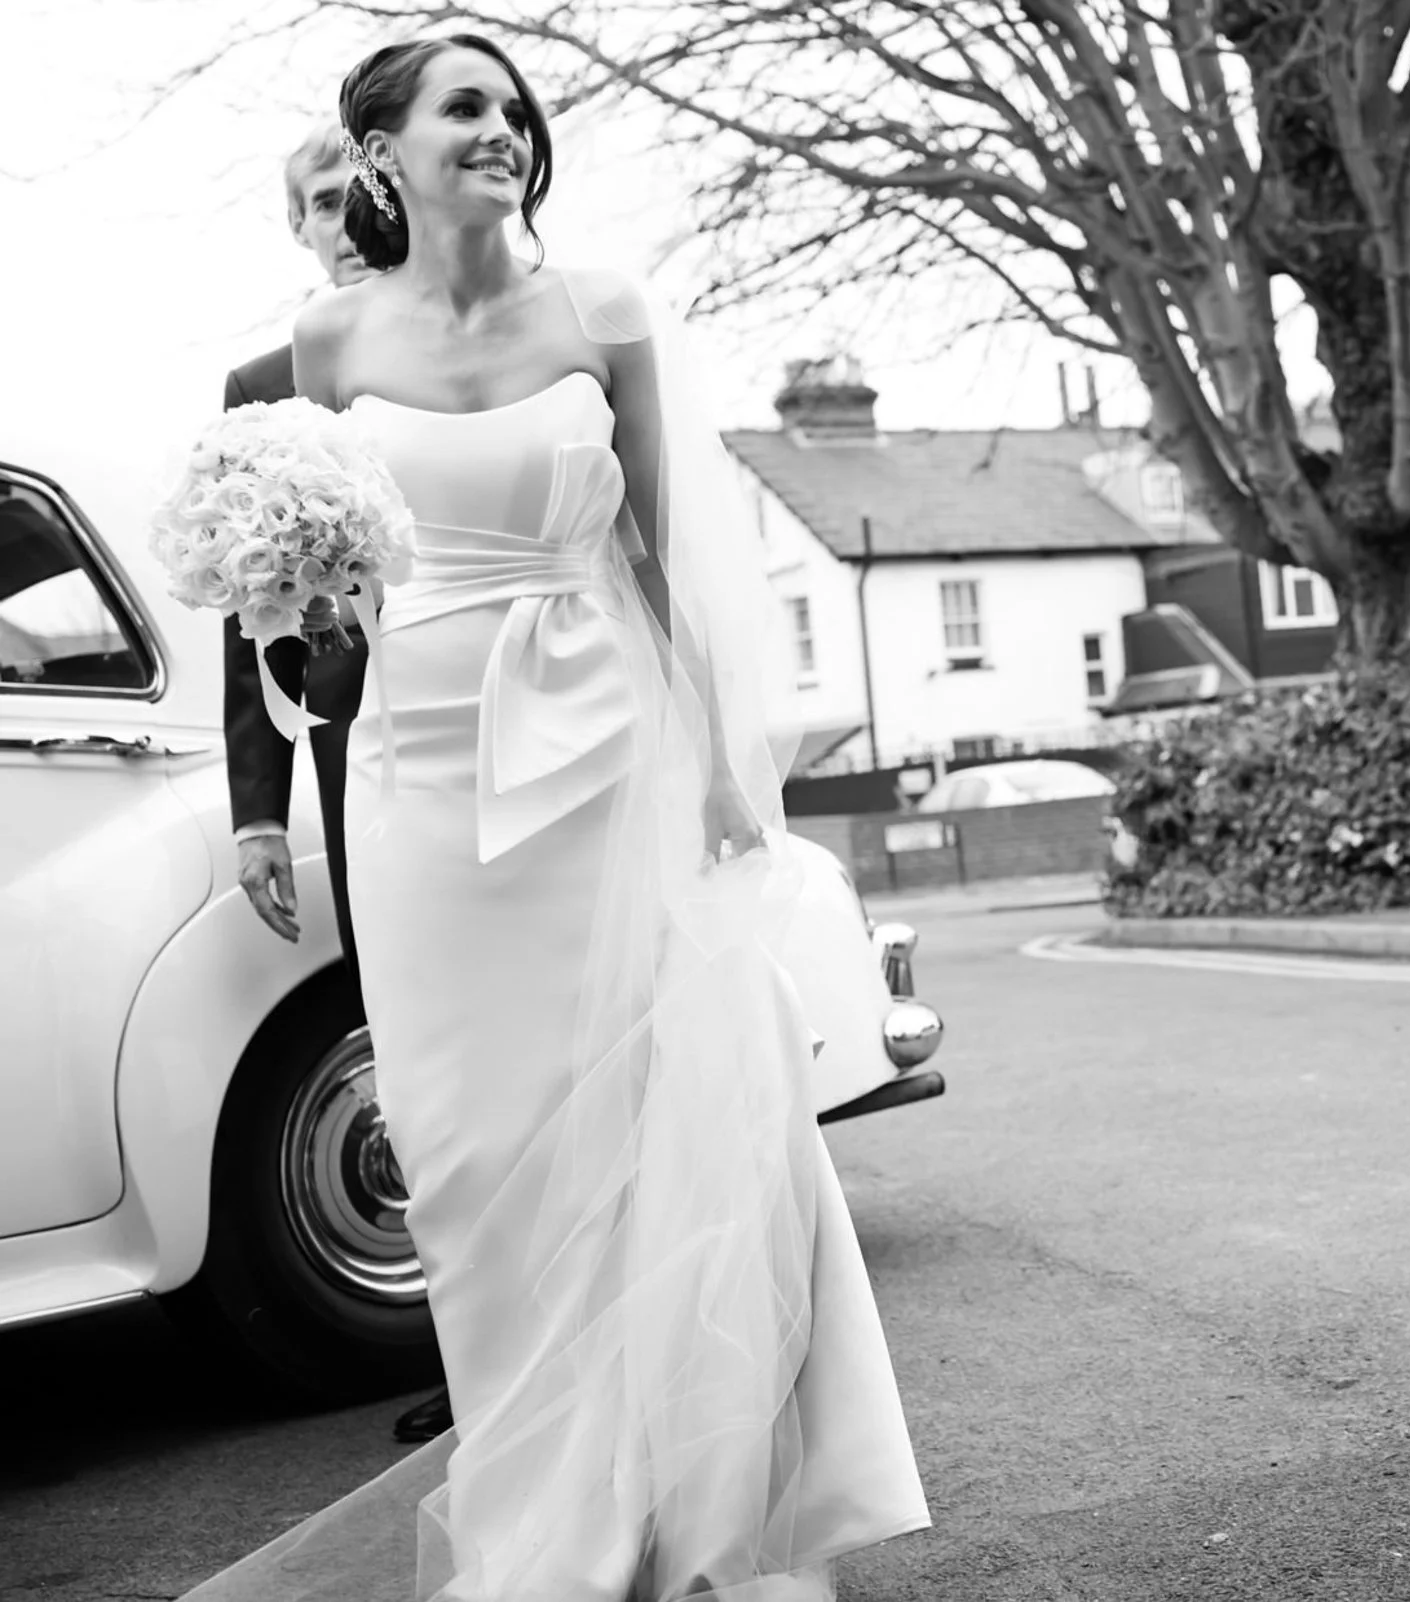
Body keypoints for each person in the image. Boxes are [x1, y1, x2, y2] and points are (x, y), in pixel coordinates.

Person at [181, 33, 926, 1602]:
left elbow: (664, 559)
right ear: (375, 148)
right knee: (469, 1152)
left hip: (604, 755)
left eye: (519, 110)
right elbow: (308, 615)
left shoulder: (609, 314)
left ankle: (697, 1500)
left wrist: (723, 769)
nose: (506, 129)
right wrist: (289, 607)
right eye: (466, 107)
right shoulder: (322, 342)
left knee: (654, 1120)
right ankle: (545, 1517)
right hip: (414, 788)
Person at [223, 125, 456, 1449]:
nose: (335, 214)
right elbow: (240, 608)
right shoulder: (265, 382)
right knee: (410, 1053)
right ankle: (461, 1339)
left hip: (481, 711)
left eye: (347, 191)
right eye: (312, 199)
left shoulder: (457, 346)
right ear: (298, 223)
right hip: (349, 752)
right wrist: (262, 807)